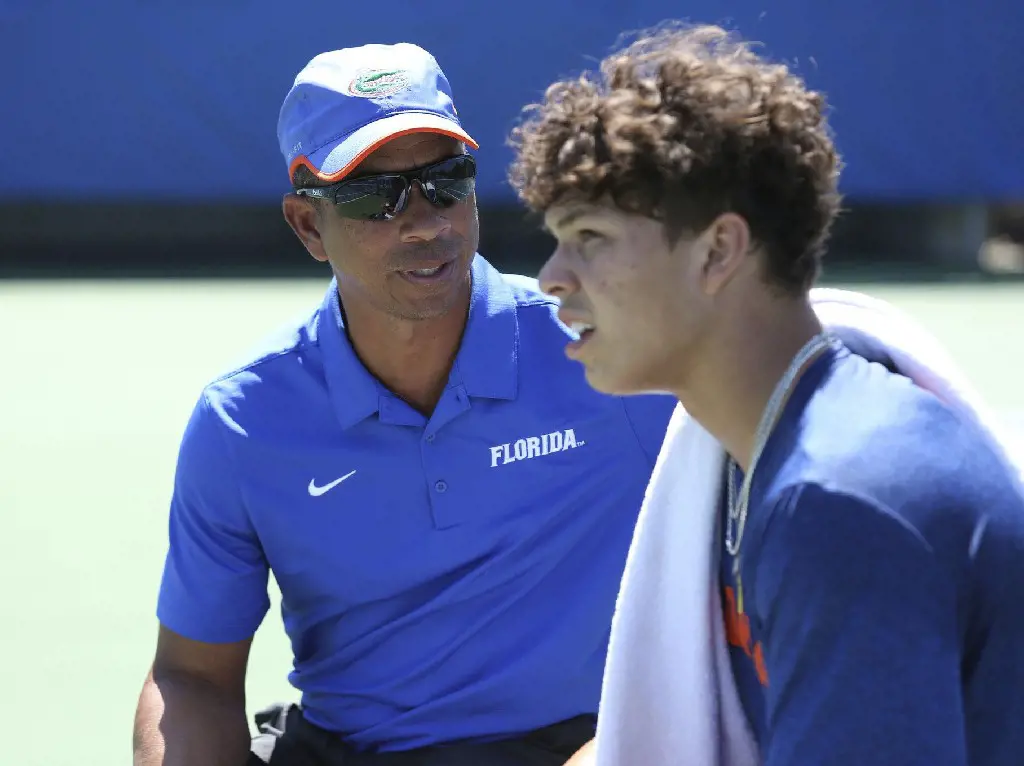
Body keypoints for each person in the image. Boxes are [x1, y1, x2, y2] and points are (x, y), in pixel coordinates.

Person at [131, 42, 675, 766]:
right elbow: (192, 676)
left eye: (446, 182)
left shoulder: (611, 353)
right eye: (371, 197)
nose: (424, 221)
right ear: (305, 226)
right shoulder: (242, 422)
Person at [509, 23, 1024, 766]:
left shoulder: (841, 499)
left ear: (718, 251)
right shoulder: (777, 449)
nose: (552, 277)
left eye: (588, 235)